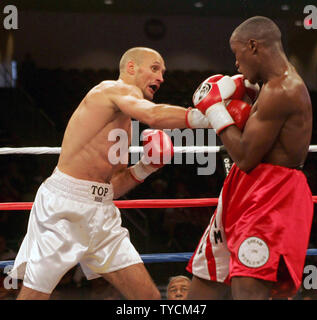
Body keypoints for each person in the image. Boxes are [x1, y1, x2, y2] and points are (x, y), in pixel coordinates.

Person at [9, 47, 212, 300]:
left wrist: (145, 167)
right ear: (130, 68)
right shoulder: (112, 90)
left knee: (148, 297)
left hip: (102, 212)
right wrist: (207, 117)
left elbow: (112, 187)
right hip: (63, 209)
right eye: (154, 68)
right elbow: (153, 115)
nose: (161, 77)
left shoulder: (124, 125)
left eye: (163, 72)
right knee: (35, 296)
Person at [186, 16, 314, 300]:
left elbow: (244, 156)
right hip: (241, 190)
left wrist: (215, 110)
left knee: (248, 290)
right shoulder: (267, 88)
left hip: (271, 197)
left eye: (237, 54)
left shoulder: (283, 90)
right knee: (205, 280)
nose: (236, 64)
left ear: (253, 46)